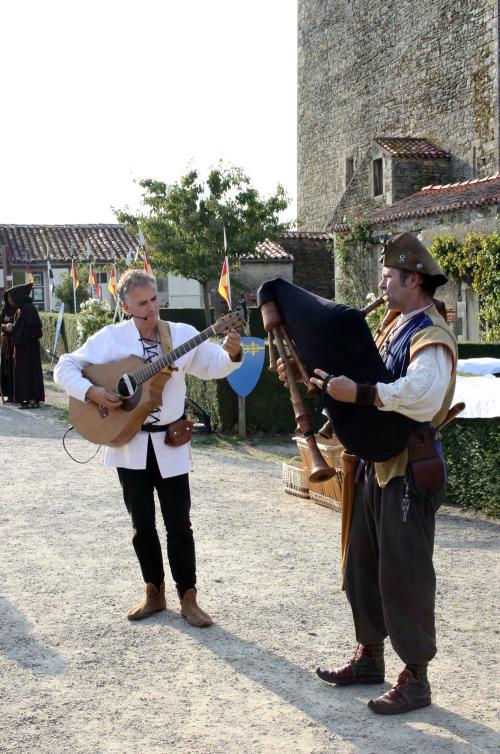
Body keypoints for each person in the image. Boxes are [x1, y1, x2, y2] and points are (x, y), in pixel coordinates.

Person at [280, 233, 457, 714]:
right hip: (373, 465)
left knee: (405, 574)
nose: (381, 282)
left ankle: (416, 678)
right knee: (362, 565)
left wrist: (356, 393)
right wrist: (313, 381)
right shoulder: (391, 326)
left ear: (413, 279)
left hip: (408, 465)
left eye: (388, 275)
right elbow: (359, 382)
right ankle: (370, 656)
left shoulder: (430, 336)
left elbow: (419, 394)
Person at [54, 269, 243, 628]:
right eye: (143, 303)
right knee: (142, 524)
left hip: (170, 443)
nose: (152, 308)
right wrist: (92, 392)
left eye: (155, 299)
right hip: (128, 443)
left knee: (180, 524)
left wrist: (231, 353)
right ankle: (154, 593)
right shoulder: (110, 339)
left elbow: (214, 366)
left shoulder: (182, 335)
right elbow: (65, 366)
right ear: (126, 306)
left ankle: (189, 597)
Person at [2, 283, 45, 408]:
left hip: (29, 349)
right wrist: (12, 328)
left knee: (30, 373)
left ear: (18, 297)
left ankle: (33, 399)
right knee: (23, 374)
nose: (9, 300)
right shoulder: (22, 309)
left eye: (11, 297)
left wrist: (14, 329)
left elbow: (35, 330)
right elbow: (22, 326)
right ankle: (26, 398)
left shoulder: (29, 309)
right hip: (22, 349)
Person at [0, 291, 17, 402]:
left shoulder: (18, 310)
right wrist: (5, 326)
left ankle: (14, 393)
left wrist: (12, 326)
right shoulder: (4, 310)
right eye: (8, 298)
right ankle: (7, 393)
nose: (10, 300)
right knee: (5, 369)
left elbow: (20, 325)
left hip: (14, 344)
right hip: (5, 344)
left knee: (13, 369)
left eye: (11, 298)